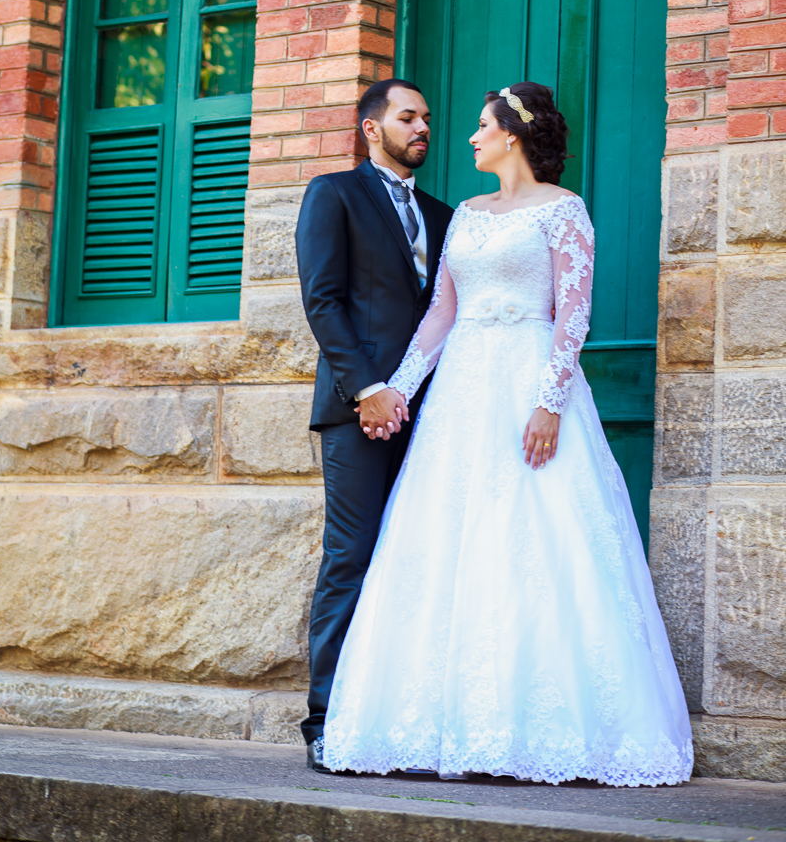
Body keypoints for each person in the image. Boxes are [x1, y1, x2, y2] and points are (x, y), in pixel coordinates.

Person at [321, 81, 694, 787]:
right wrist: (398, 389)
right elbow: (440, 316)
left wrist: (550, 401)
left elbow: (573, 314)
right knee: (450, 541)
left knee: (539, 539)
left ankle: (545, 730)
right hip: (462, 393)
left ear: (513, 136)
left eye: (480, 127)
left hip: (528, 381)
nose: (467, 138)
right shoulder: (463, 214)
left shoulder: (565, 211)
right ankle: (440, 727)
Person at [295, 78, 455, 772]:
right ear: (371, 128)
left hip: (434, 413)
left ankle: (399, 717)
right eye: (408, 117)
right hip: (359, 412)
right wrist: (367, 388)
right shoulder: (332, 195)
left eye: (427, 118)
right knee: (351, 558)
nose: (423, 127)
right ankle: (326, 719)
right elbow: (322, 299)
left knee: (419, 563)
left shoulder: (447, 216)